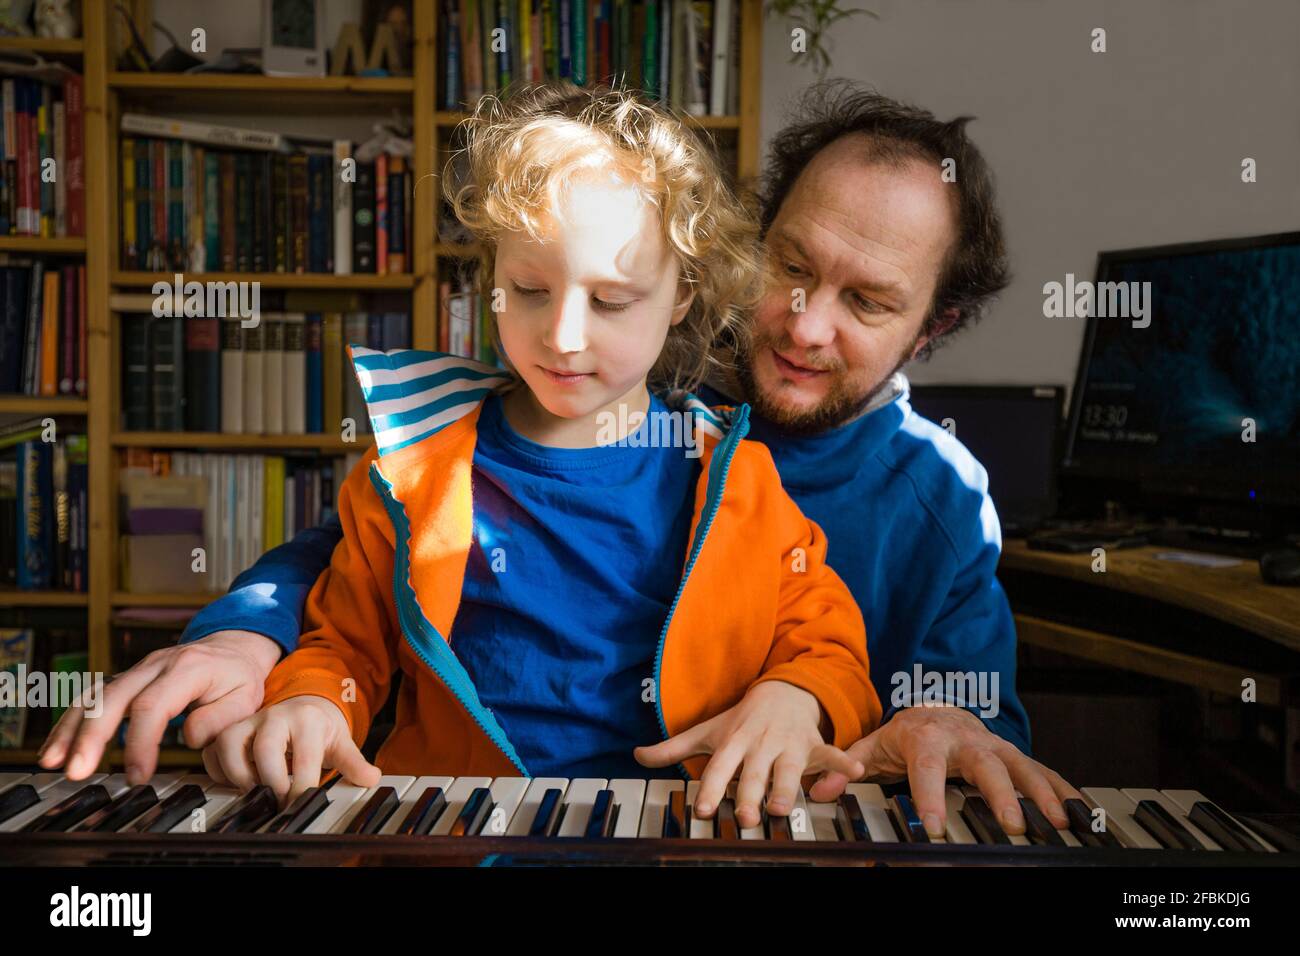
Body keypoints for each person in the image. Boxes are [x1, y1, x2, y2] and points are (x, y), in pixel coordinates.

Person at [42, 81, 1077, 839]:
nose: (804, 323)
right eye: (792, 266)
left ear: (932, 326)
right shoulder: (556, 411)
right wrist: (255, 644)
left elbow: (962, 727)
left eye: (866, 301)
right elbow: (351, 571)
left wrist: (894, 714)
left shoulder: (932, 498)